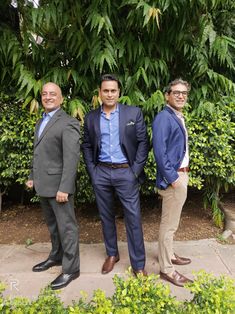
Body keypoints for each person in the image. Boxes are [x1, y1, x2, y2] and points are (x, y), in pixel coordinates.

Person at [82, 74, 148, 276]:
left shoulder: (133, 113)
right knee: (105, 216)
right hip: (101, 172)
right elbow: (86, 145)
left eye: (113, 90)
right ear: (100, 93)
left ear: (119, 92)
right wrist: (93, 171)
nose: (109, 94)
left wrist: (134, 171)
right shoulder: (91, 117)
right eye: (105, 90)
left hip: (125, 172)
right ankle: (112, 254)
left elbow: (144, 143)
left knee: (133, 218)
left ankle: (138, 264)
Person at [26, 82, 80, 290]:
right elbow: (39, 153)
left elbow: (71, 158)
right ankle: (56, 256)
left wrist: (64, 188)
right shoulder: (42, 121)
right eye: (44, 94)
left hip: (59, 188)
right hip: (43, 185)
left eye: (52, 94)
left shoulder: (67, 123)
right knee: (53, 226)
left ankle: (71, 269)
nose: (48, 97)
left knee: (67, 228)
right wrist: (32, 175)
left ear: (61, 98)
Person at [152, 78, 193, 287]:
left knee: (172, 224)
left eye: (184, 93)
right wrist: (174, 178)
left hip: (179, 175)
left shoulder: (176, 116)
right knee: (168, 226)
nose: (180, 96)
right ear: (167, 95)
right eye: (176, 92)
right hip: (173, 179)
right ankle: (167, 269)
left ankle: (169, 254)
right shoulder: (163, 118)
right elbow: (159, 153)